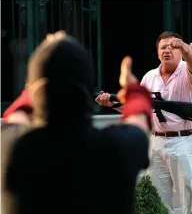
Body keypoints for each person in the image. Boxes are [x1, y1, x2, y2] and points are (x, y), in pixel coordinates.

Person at [5, 31, 153, 214]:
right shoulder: (115, 148)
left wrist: (38, 83)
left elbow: (17, 113)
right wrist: (133, 90)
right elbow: (139, 116)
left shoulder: (10, 146)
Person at [96, 31, 192, 214]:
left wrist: (184, 47)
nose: (167, 51)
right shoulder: (149, 77)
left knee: (189, 199)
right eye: (163, 48)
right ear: (157, 53)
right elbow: (141, 110)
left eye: (172, 47)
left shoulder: (189, 71)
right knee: (157, 198)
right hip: (156, 142)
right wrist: (113, 104)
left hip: (184, 140)